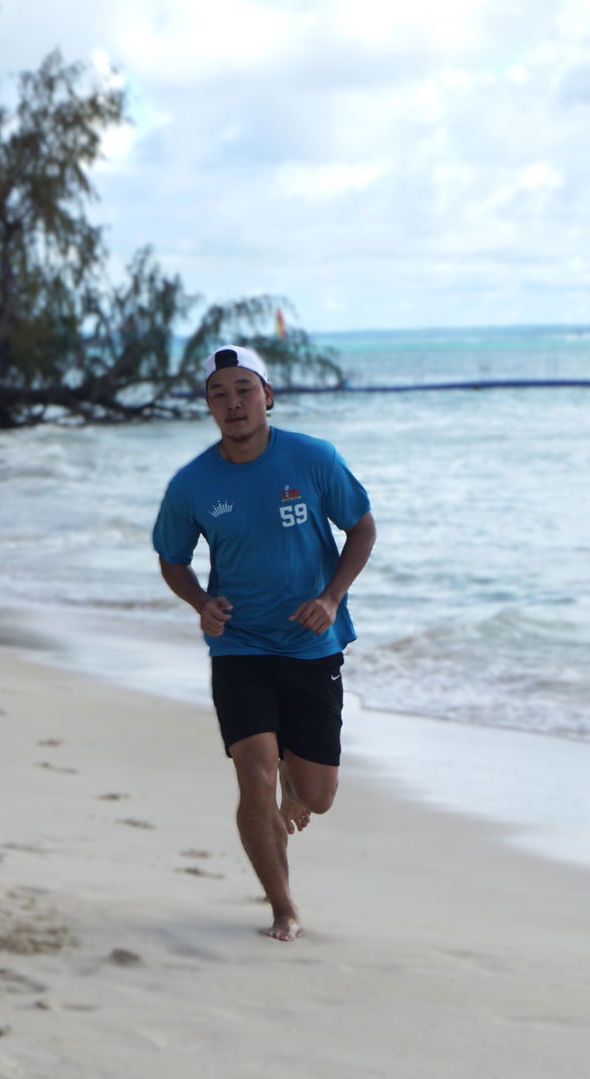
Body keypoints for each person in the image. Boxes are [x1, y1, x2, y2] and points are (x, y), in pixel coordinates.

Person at [153, 344, 377, 941]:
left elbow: (361, 527)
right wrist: (202, 603)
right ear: (207, 405)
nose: (233, 403)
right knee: (253, 774)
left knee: (317, 797)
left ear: (268, 396)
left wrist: (330, 598)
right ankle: (283, 906)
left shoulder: (313, 459)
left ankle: (291, 774)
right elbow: (172, 559)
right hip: (240, 646)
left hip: (312, 644)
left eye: (244, 390)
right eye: (219, 393)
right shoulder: (194, 483)